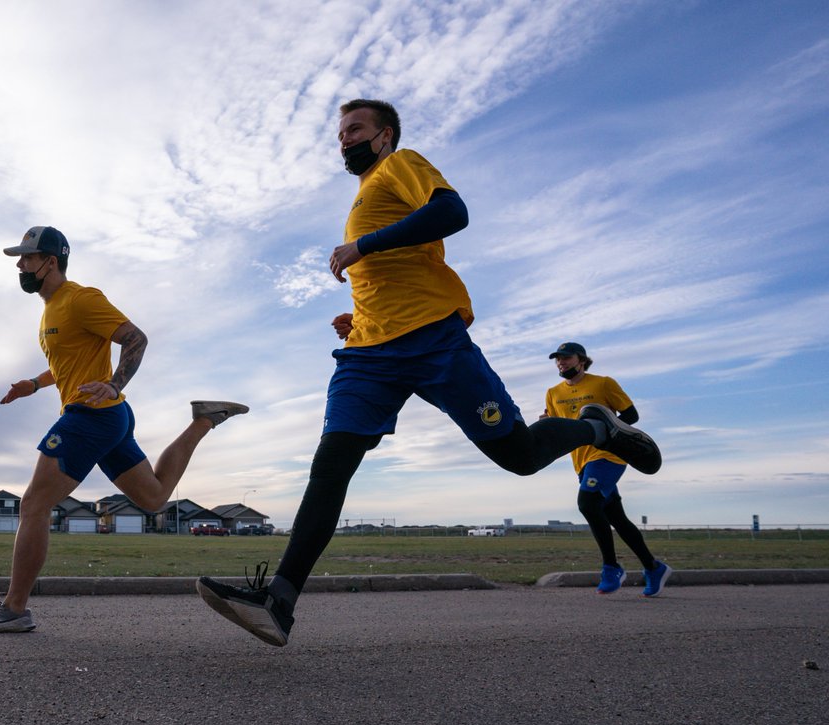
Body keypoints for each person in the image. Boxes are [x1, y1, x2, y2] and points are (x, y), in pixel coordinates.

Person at [196, 98, 663, 647]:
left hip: (434, 340)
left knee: (517, 455)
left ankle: (599, 429)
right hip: (368, 355)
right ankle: (280, 600)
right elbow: (387, 275)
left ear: (385, 134)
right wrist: (359, 317)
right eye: (340, 133)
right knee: (331, 464)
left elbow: (451, 213)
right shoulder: (365, 193)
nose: (344, 139)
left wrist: (361, 245)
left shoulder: (400, 164)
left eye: (355, 129)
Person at [0, 226, 248, 633]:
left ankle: (14, 609)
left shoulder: (80, 298)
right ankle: (204, 420)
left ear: (50, 261)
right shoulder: (51, 310)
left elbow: (136, 339)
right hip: (109, 416)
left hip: (91, 415)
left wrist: (114, 383)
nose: (20, 265)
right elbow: (67, 364)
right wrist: (34, 384)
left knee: (33, 506)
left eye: (27, 257)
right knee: (154, 499)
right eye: (19, 259)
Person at [544, 342, 672, 596]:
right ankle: (653, 567)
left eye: (566, 358)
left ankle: (611, 567)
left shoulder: (603, 383)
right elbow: (557, 421)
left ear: (582, 360)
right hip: (580, 461)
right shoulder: (553, 392)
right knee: (617, 519)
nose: (561, 363)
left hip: (608, 456)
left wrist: (612, 436)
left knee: (587, 504)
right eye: (558, 359)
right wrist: (547, 424)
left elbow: (631, 416)